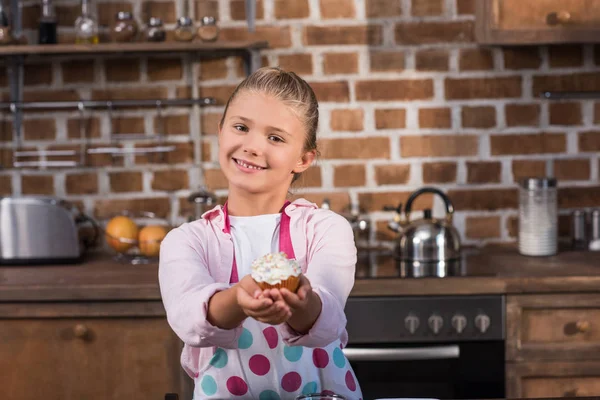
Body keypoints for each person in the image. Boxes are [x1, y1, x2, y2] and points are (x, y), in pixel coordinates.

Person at [159, 67, 362, 399]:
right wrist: (241, 298)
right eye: (241, 127)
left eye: (275, 137)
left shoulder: (326, 229)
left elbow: (326, 317)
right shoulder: (187, 241)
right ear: (221, 132)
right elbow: (189, 319)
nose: (252, 146)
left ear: (303, 158)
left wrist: (299, 300)